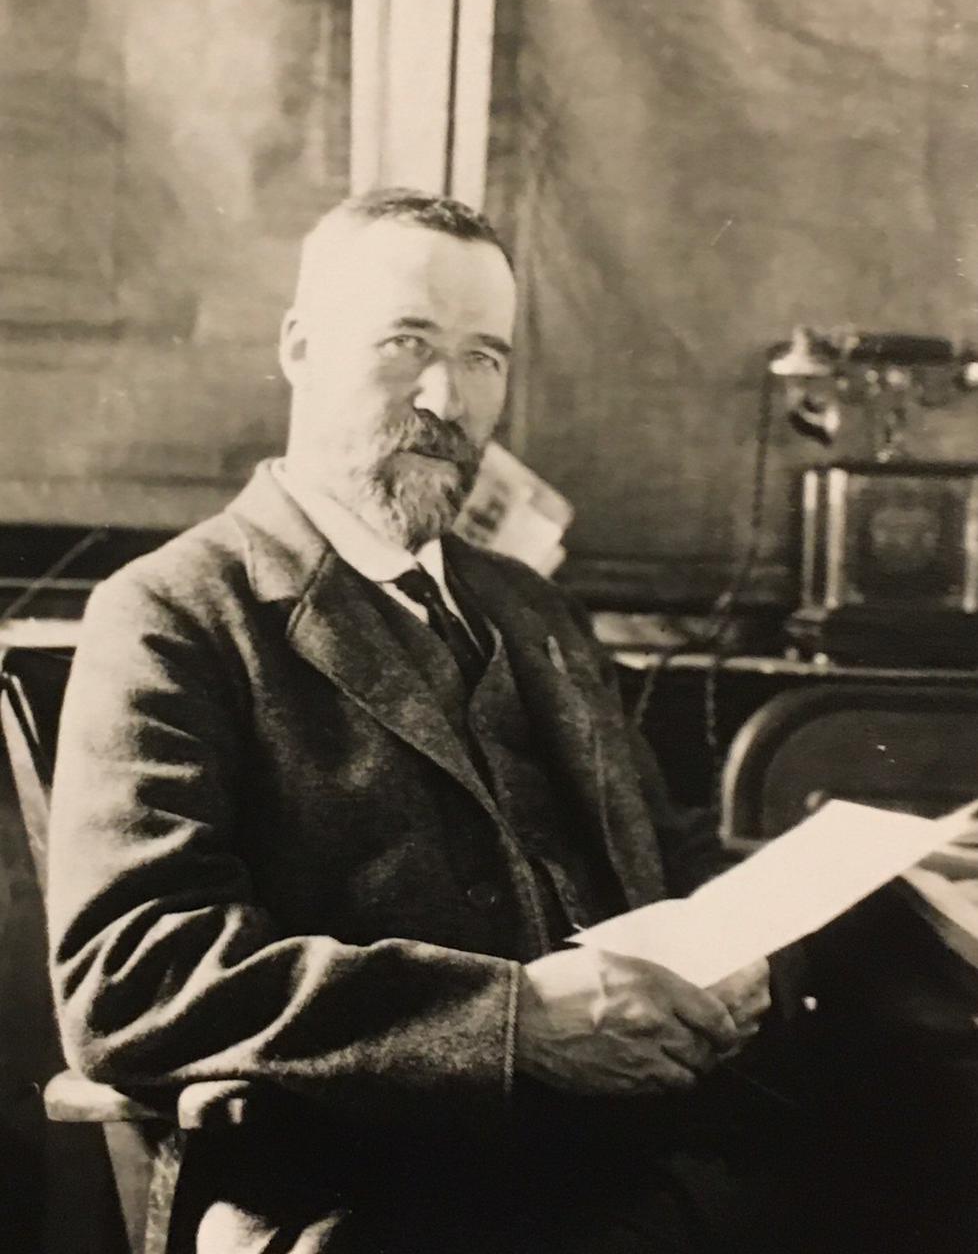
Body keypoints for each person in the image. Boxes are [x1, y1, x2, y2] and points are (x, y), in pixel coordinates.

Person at [47, 192, 810, 1254]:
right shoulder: (176, 610)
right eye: (406, 343)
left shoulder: (528, 606)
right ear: (301, 348)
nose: (447, 398)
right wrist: (515, 1024)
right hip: (387, 1193)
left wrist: (744, 943)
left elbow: (660, 846)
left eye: (483, 356)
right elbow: (132, 973)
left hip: (648, 1162)